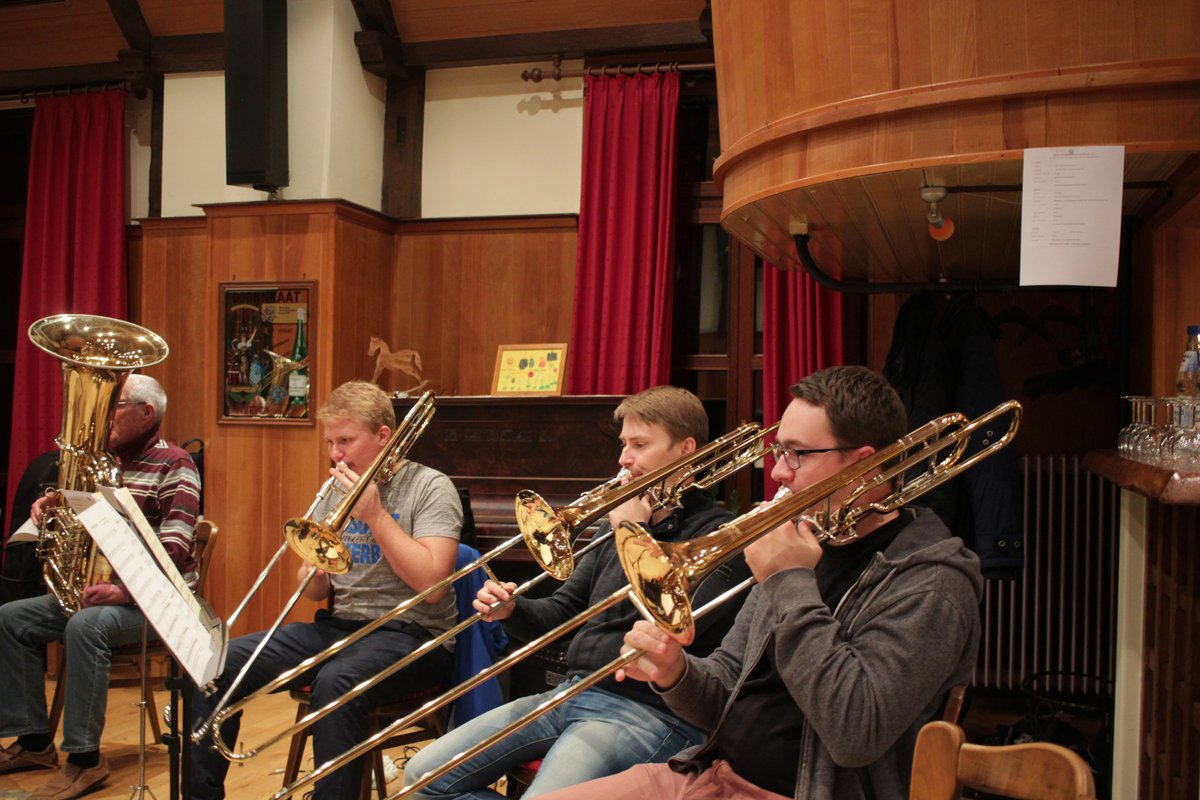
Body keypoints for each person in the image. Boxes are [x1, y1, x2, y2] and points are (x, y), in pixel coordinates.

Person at [534, 366, 985, 800]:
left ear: (864, 465)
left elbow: (855, 733)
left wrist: (790, 582)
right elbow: (724, 688)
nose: (778, 473)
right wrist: (674, 673)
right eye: (779, 452)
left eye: (797, 454)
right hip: (709, 773)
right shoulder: (807, 541)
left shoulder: (931, 581)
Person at [403, 386, 751, 800]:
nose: (624, 459)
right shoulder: (617, 524)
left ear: (685, 449)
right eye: (623, 444)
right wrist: (512, 610)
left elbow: (669, 632)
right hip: (572, 692)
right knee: (423, 778)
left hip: (649, 713)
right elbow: (564, 612)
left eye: (640, 445)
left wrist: (633, 532)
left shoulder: (718, 538)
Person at [190, 380, 462, 800]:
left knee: (337, 682)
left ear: (383, 436)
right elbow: (315, 591)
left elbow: (433, 587)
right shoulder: (337, 488)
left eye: (346, 441)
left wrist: (375, 516)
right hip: (341, 628)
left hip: (414, 635)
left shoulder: (430, 486)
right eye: (330, 442)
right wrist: (313, 572)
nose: (336, 454)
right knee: (218, 663)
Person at [0, 374, 202, 800]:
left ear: (147, 413)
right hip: (102, 594)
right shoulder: (104, 463)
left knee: (85, 626)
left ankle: (84, 758)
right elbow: (82, 522)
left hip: (158, 603)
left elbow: (174, 549)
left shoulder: (176, 463)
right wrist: (52, 506)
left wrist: (124, 591)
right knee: (10, 619)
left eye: (117, 405)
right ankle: (34, 741)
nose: (106, 415)